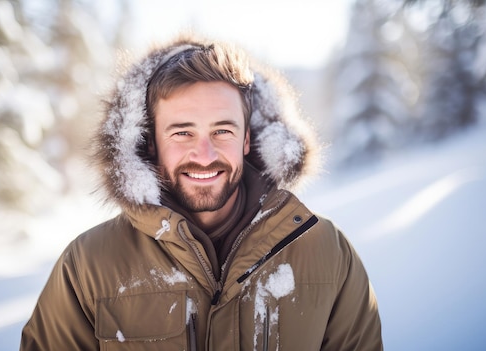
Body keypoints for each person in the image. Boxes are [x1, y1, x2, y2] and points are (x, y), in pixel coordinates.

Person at [20, 34, 383, 350]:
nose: (204, 156)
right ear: (150, 143)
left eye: (222, 131)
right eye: (182, 133)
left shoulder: (327, 254)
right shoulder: (88, 267)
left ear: (246, 139)